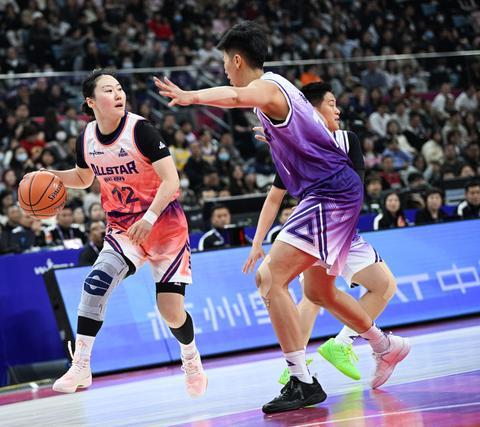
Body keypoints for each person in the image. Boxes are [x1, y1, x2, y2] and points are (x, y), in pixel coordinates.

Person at [155, 21, 409, 413]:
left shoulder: (267, 87)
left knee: (270, 277)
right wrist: (278, 139)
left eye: (224, 63)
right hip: (332, 192)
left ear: (237, 60)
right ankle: (384, 345)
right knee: (319, 293)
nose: (225, 71)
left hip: (329, 194)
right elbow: (303, 134)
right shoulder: (279, 95)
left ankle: (301, 380)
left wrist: (191, 96)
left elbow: (236, 95)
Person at [35, 69, 206, 397]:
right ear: (90, 101)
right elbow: (84, 178)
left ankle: (191, 357)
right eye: (108, 90)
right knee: (96, 282)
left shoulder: (141, 130)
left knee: (170, 311)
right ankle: (81, 365)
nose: (118, 94)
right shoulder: (86, 137)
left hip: (165, 226)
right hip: (123, 227)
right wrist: (48, 176)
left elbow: (171, 180)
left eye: (119, 89)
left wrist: (150, 217)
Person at [250, 82, 398, 386]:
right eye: (332, 104)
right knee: (313, 296)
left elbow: (355, 189)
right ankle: (297, 364)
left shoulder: (345, 139)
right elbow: (274, 198)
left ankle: (340, 344)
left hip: (343, 228)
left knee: (382, 286)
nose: (338, 110)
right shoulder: (295, 148)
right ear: (311, 112)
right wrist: (257, 241)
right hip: (315, 229)